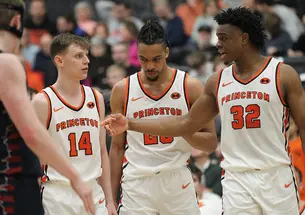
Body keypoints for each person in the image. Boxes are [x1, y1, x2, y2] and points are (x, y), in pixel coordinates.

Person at [102, 7, 305, 214]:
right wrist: (131, 124)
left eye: (223, 38)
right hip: (236, 178)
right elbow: (185, 124)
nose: (217, 44)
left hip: (276, 174)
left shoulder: (282, 74)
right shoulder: (217, 81)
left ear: (244, 39)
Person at [108, 20, 217, 215]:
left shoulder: (190, 87)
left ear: (167, 52)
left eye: (156, 59)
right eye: (143, 59)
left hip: (177, 180)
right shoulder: (122, 90)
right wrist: (109, 198)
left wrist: (183, 129)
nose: (150, 66)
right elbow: (116, 148)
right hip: (137, 183)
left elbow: (210, 144)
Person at [0, 1, 94, 215]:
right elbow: (32, 133)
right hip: (11, 182)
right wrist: (75, 177)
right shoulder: (7, 62)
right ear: (17, 20)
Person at [31, 33, 117, 215]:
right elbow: (35, 157)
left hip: (94, 192)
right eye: (78, 56)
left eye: (86, 55)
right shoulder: (43, 101)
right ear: (59, 61)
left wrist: (110, 200)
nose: (86, 61)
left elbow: (102, 151)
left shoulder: (96, 97)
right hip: (58, 193)